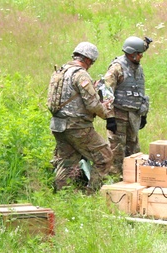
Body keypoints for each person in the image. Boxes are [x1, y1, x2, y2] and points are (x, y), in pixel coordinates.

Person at [47, 41, 114, 193]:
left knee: (67, 162)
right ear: (89, 59)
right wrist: (107, 115)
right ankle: (92, 194)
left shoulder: (60, 72)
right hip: (77, 127)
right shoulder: (81, 74)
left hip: (58, 125)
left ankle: (61, 195)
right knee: (104, 157)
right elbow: (93, 104)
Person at [103, 36, 152, 177]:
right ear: (131, 53)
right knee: (116, 152)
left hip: (133, 116)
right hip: (118, 116)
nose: (141, 56)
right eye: (139, 53)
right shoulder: (117, 68)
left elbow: (140, 92)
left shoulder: (138, 68)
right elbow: (106, 93)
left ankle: (132, 180)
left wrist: (144, 115)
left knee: (134, 153)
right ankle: (114, 182)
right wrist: (109, 118)